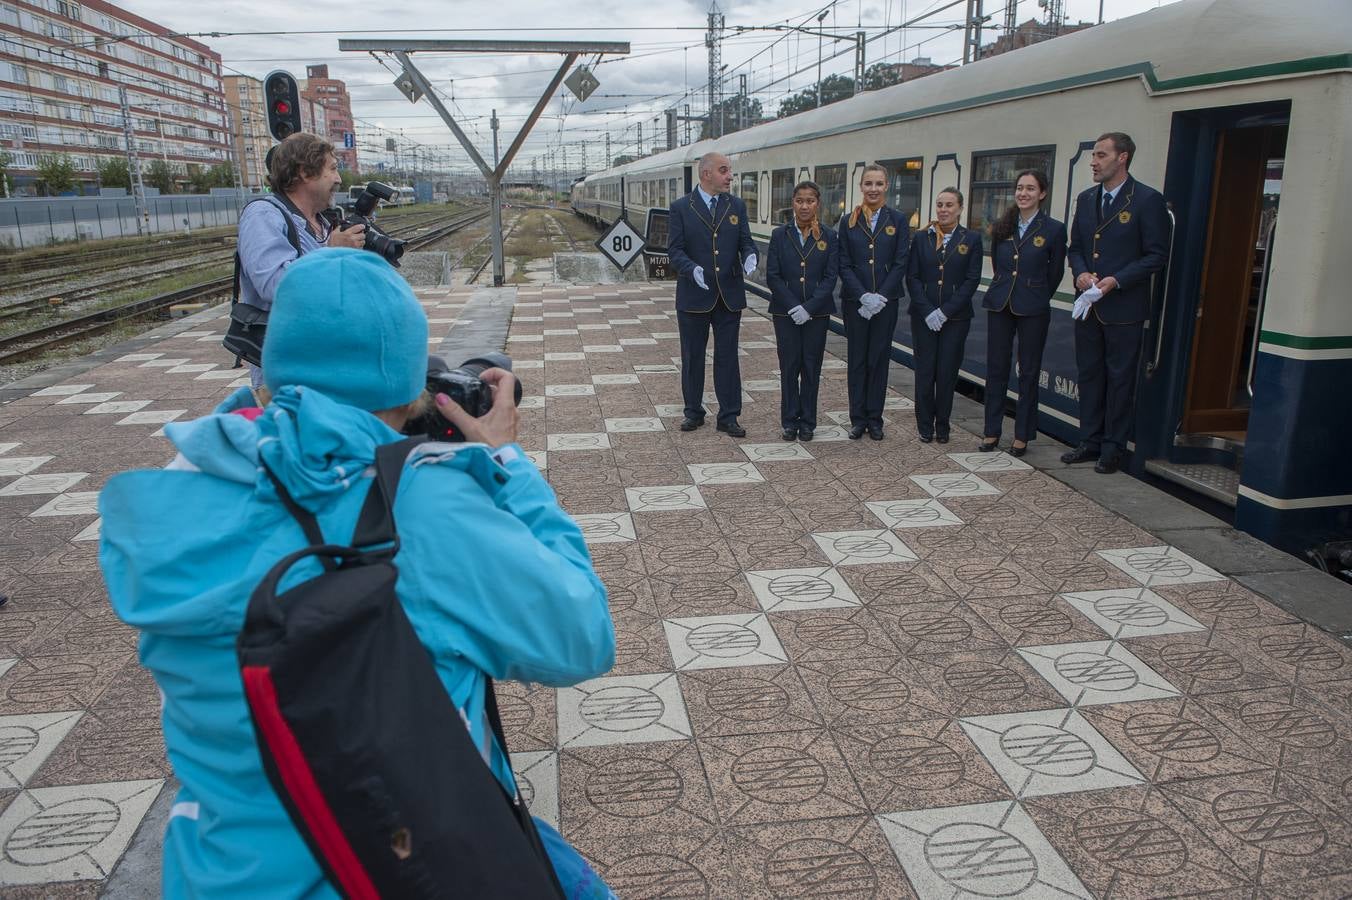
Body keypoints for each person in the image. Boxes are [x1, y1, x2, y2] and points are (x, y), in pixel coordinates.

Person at [99, 249, 617, 898]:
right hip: (392, 861)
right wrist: (507, 465)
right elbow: (582, 635)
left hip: (216, 866)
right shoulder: (421, 507)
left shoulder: (180, 489)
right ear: (409, 384)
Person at [1062, 132, 1170, 474]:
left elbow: (1156, 255)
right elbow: (1076, 247)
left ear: (1122, 158)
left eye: (1101, 155)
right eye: (1094, 155)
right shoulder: (1086, 198)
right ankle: (1089, 441)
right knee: (1090, 375)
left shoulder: (1147, 201)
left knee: (1120, 380)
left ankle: (1113, 447)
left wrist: (1116, 279)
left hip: (1124, 309)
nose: (1093, 161)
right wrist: (1080, 273)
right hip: (1089, 306)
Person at [235, 133, 365, 395]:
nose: (338, 179)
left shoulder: (323, 222)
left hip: (330, 361)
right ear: (305, 173)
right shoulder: (264, 215)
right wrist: (331, 251)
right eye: (332, 169)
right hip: (289, 373)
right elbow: (273, 284)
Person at [667, 151, 758, 437]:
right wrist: (690, 269)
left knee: (728, 356)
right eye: (724, 170)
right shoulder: (682, 207)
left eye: (729, 170)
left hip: (729, 295)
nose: (730, 176)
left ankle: (729, 416)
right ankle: (693, 412)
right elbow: (674, 250)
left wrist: (751, 256)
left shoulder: (737, 206)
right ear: (706, 174)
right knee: (693, 356)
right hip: (694, 295)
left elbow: (746, 241)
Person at [980, 170, 1068, 457]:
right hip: (1000, 303)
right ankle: (991, 430)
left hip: (1033, 307)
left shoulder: (1053, 229)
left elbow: (1054, 274)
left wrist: (1033, 292)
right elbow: (998, 265)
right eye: (1019, 188)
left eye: (1030, 189)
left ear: (1042, 194)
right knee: (996, 369)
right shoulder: (1002, 226)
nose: (1023, 194)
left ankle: (1022, 435)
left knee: (1029, 372)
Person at [905, 187, 984, 444]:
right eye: (940, 204)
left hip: (956, 319)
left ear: (960, 208)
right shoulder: (921, 238)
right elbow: (913, 277)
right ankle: (924, 426)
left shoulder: (971, 239)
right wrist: (928, 311)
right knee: (925, 372)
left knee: (947, 372)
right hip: (923, 317)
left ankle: (943, 426)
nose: (943, 210)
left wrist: (946, 311)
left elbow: (971, 281)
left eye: (949, 205)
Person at [838, 163, 909, 440]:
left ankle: (875, 419)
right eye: (868, 184)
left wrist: (881, 296)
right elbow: (844, 263)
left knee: (879, 360)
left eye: (878, 184)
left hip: (886, 303)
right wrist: (863, 296)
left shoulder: (898, 220)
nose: (873, 189)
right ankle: (857, 419)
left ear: (887, 187)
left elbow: (901, 261)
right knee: (857, 359)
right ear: (861, 187)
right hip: (855, 302)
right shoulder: (848, 221)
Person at [766, 180, 839, 441]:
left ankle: (808, 422)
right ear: (792, 203)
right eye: (800, 200)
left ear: (818, 203)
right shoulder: (779, 234)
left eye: (810, 200)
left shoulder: (829, 236)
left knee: (811, 367)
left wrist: (809, 308)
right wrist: (793, 306)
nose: (805, 206)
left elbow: (831, 277)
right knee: (789, 366)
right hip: (785, 313)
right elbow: (773, 276)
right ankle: (789, 421)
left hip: (816, 314)